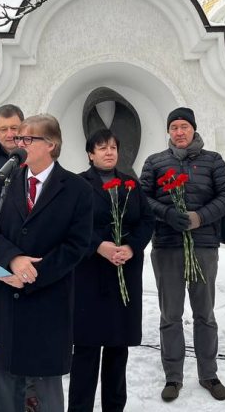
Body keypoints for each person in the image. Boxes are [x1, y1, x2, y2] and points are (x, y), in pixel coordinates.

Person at [0, 114, 92, 412]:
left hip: (48, 300)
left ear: (51, 145)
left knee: (46, 391)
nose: (19, 143)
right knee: (4, 388)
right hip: (5, 300)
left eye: (28, 139)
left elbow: (76, 246)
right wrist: (12, 260)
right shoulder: (4, 181)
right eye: (18, 139)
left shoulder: (77, 189)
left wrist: (31, 274)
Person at [139, 107, 225, 402]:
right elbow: (142, 198)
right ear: (168, 132)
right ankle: (173, 377)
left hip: (203, 246)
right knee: (171, 315)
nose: (179, 132)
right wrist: (167, 214)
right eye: (174, 127)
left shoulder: (213, 161)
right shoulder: (155, 162)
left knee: (205, 314)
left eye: (184, 126)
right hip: (167, 246)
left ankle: (209, 374)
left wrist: (200, 217)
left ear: (193, 129)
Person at [68, 129, 154, 412]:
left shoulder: (130, 183)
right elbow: (71, 227)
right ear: (90, 153)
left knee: (118, 349)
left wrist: (131, 247)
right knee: (86, 350)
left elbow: (146, 221)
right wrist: (98, 246)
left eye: (113, 147)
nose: (109, 152)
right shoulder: (78, 185)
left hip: (123, 275)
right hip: (90, 276)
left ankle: (114, 407)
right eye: (102, 147)